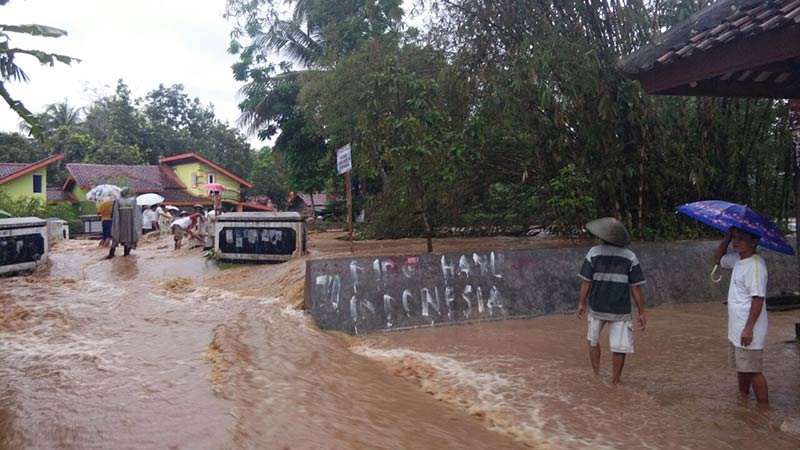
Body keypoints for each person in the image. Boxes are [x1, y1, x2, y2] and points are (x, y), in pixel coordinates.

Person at [577, 217, 647, 384]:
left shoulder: (594, 253)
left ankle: (596, 374)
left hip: (597, 305)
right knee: (619, 347)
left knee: (593, 340)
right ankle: (615, 382)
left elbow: (586, 281)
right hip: (620, 309)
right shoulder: (630, 257)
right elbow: (635, 287)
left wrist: (581, 303)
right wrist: (641, 312)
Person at [712, 228, 769, 405]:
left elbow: (758, 299)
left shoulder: (756, 266)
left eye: (741, 238)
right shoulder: (737, 260)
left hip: (748, 328)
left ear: (753, 242)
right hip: (737, 327)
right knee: (742, 367)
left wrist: (749, 328)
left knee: (753, 370)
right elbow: (716, 259)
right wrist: (727, 237)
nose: (736, 242)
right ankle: (743, 400)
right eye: (735, 238)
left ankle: (764, 408)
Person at [108, 187, 142, 258]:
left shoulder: (117, 201)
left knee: (115, 238)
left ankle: (111, 255)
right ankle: (126, 255)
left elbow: (112, 214)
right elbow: (137, 214)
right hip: (130, 225)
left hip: (119, 225)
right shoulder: (133, 201)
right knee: (129, 240)